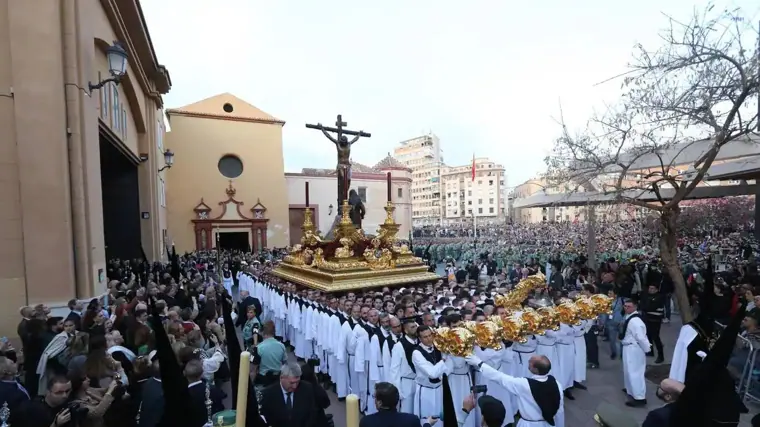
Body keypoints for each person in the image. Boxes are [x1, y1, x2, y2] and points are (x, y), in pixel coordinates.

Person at [464, 354, 564, 427]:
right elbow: (559, 411)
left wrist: (479, 363)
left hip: (528, 424)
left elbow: (500, 378)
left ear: (535, 369)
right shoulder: (556, 383)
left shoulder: (525, 385)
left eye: (531, 362)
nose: (528, 361)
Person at [259, 362, 317, 427]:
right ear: (281, 378)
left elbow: (311, 414)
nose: (295, 386)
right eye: (291, 383)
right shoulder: (268, 394)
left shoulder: (307, 388)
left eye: (297, 382)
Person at [620, 298, 650, 407]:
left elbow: (641, 338)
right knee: (628, 371)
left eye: (629, 306)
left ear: (635, 307)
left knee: (635, 372)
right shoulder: (629, 317)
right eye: (625, 306)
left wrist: (647, 349)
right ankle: (630, 390)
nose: (626, 308)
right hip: (628, 347)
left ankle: (639, 397)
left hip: (634, 348)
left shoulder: (636, 321)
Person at [254, 321, 287, 386]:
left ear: (262, 333)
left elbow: (253, 369)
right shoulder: (281, 346)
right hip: (278, 378)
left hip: (263, 379)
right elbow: (284, 362)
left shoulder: (258, 348)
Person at [639, 284, 666, 364]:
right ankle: (650, 351)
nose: (650, 290)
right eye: (649, 288)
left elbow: (650, 307)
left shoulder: (660, 297)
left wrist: (646, 306)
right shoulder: (646, 296)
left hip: (655, 320)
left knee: (656, 337)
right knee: (648, 335)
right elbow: (642, 306)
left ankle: (661, 356)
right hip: (647, 319)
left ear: (656, 290)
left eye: (652, 288)